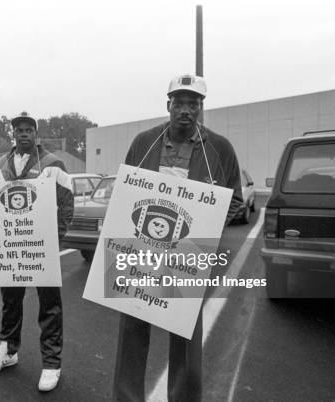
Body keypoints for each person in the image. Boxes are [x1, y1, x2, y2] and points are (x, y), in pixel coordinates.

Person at [113, 75, 243, 401]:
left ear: (201, 108)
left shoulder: (220, 148)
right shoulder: (144, 143)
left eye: (193, 104)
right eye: (179, 103)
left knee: (184, 337)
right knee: (132, 330)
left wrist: (205, 231)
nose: (186, 110)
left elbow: (235, 200)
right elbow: (125, 193)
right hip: (143, 253)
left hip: (187, 256)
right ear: (167, 104)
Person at [0, 112, 74, 392]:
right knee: (10, 301)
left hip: (41, 248)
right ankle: (8, 351)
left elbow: (67, 203)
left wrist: (53, 240)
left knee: (49, 305)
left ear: (36, 134)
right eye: (18, 130)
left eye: (28, 130)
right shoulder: (1, 165)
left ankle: (51, 362)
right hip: (12, 248)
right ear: (14, 134)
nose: (23, 134)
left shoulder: (52, 164)